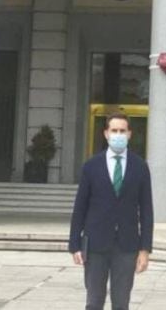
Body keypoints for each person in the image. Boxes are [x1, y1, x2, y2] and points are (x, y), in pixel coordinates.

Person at [68, 112, 154, 310]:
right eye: (114, 130)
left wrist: (145, 249)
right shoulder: (91, 166)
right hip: (96, 243)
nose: (118, 134)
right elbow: (80, 206)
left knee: (121, 302)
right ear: (106, 133)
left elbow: (147, 210)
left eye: (122, 131)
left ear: (129, 134)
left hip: (127, 245)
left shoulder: (140, 166)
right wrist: (74, 244)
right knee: (94, 301)